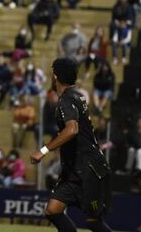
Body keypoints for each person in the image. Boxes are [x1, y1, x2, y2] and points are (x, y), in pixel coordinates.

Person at [30, 57, 112, 232]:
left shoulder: (67, 99)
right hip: (76, 168)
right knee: (53, 209)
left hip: (88, 169)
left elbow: (72, 129)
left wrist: (43, 150)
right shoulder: (77, 95)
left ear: (56, 76)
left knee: (93, 221)